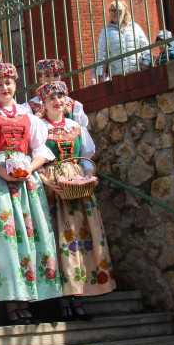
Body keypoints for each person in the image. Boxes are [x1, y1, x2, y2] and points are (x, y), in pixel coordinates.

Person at [0, 63, 59, 325]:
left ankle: (35, 298)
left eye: (8, 83)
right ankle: (11, 301)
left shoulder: (29, 117)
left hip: (27, 184)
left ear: (16, 84)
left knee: (33, 235)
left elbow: (41, 151)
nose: (5, 88)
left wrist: (30, 168)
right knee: (5, 238)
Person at [37, 81, 114, 321]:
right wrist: (47, 181)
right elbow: (34, 157)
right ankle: (61, 298)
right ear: (44, 103)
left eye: (61, 97)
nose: (57, 101)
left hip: (78, 189)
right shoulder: (38, 128)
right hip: (53, 188)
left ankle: (79, 295)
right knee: (58, 236)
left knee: (81, 237)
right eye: (52, 98)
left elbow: (86, 158)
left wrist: (87, 175)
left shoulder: (76, 127)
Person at [94, 1, 151, 82]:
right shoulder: (106, 31)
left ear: (124, 11)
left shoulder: (135, 27)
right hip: (118, 76)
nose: (113, 13)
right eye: (111, 10)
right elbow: (102, 54)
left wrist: (146, 63)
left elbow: (145, 47)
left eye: (117, 10)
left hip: (137, 71)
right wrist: (100, 74)